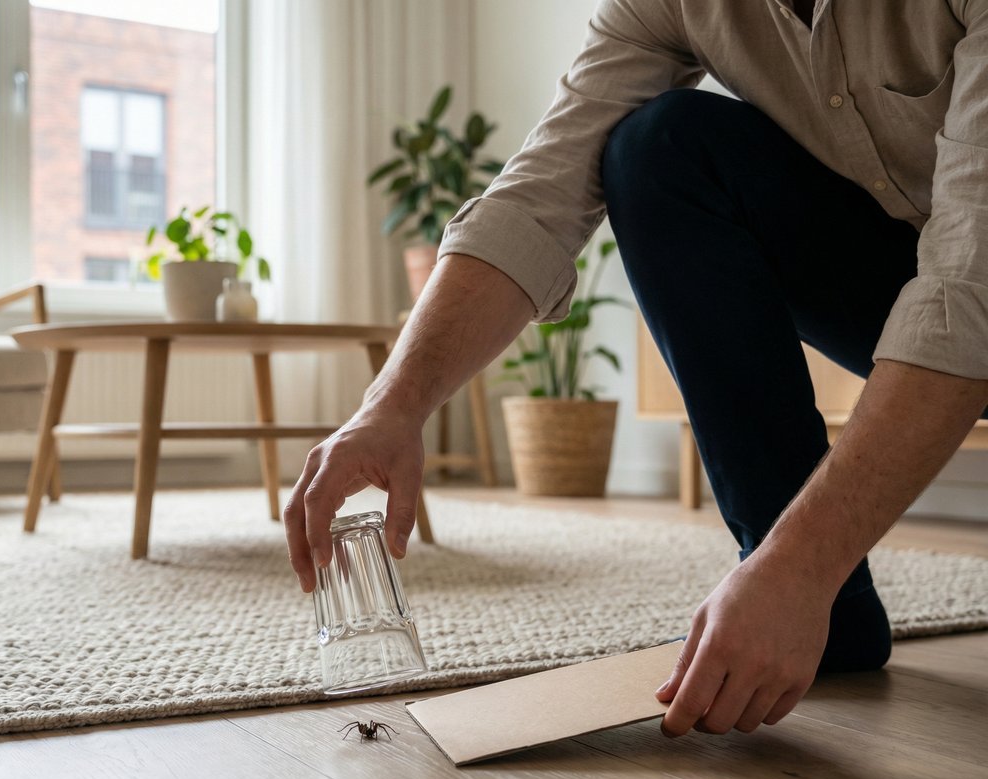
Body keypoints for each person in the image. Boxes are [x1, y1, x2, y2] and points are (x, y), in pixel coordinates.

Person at [283, 0, 988, 738]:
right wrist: (390, 406)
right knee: (659, 148)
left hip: (971, 277)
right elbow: (536, 199)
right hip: (904, 277)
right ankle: (822, 606)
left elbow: (970, 285)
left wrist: (799, 567)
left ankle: (798, 579)